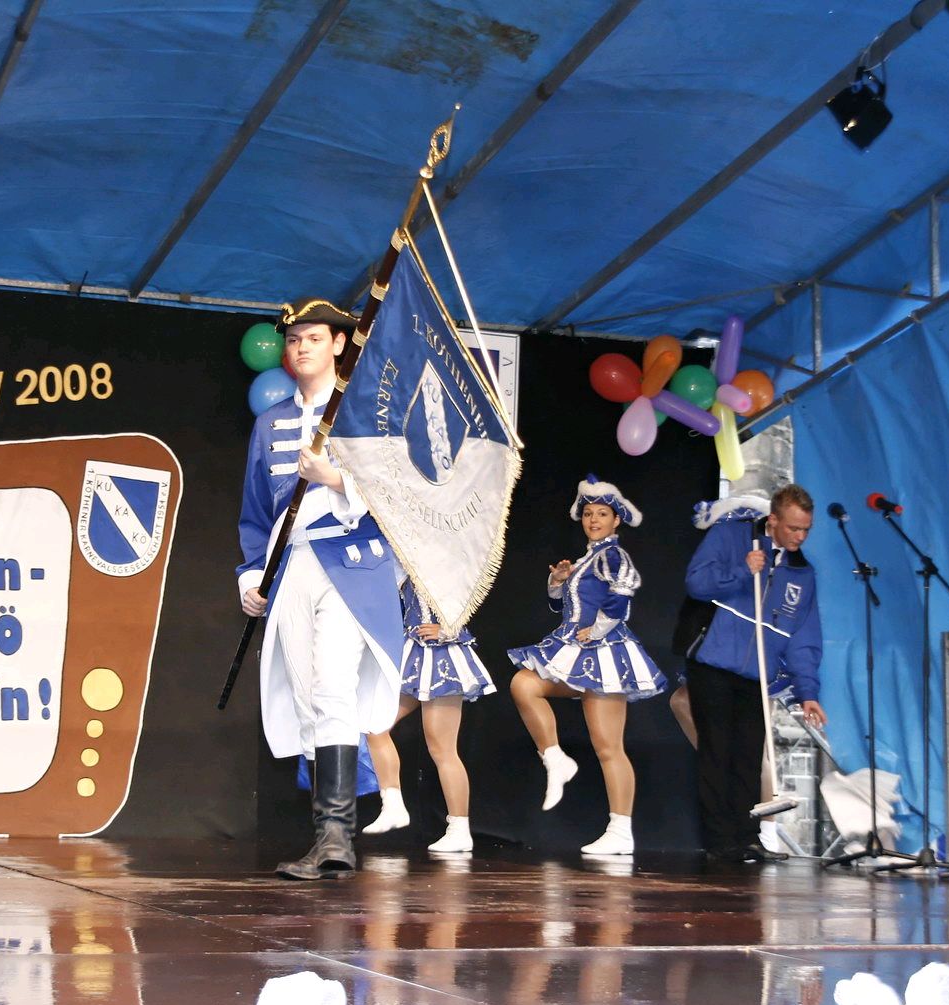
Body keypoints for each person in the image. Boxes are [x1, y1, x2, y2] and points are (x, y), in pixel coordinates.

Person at [237, 297, 405, 880]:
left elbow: (401, 498)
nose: (301, 347)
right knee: (309, 697)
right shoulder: (271, 423)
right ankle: (327, 839)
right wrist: (250, 573)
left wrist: (336, 479)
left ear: (338, 344)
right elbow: (257, 512)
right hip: (292, 567)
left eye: (313, 337)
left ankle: (337, 837)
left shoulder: (366, 413)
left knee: (334, 688)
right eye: (293, 339)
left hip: (352, 564)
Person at [507, 476, 665, 857]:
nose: (594, 520)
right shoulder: (587, 559)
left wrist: (596, 630)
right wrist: (558, 581)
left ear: (616, 520)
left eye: (603, 514)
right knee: (524, 684)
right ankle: (555, 759)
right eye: (589, 513)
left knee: (608, 747)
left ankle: (621, 830)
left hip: (604, 651)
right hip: (574, 650)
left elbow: (621, 597)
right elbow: (563, 607)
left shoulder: (612, 556)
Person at [684, 483, 828, 864]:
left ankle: (746, 838)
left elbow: (803, 639)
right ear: (773, 519)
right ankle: (719, 841)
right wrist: (741, 571)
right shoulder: (731, 536)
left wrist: (808, 692)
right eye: (793, 528)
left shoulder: (802, 573)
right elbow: (696, 582)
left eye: (806, 530)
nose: (800, 537)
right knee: (717, 750)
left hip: (757, 672)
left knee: (748, 756)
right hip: (713, 661)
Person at [361, 577, 496, 853]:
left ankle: (459, 829)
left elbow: (468, 589)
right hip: (411, 654)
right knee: (375, 724)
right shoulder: (401, 564)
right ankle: (393, 805)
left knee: (442, 748)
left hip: (441, 656)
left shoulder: (443, 561)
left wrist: (449, 629)